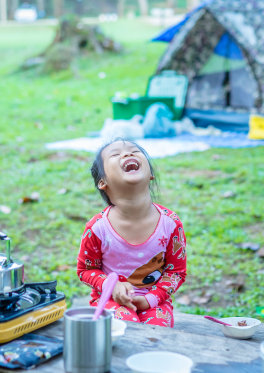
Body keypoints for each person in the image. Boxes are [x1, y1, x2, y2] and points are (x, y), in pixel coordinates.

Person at [76, 138, 187, 327]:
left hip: (155, 303)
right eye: (115, 154)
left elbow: (175, 272)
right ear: (102, 182)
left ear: (150, 173)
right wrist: (112, 286)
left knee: (157, 332)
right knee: (124, 326)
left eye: (134, 151)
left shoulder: (170, 223)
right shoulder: (97, 228)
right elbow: (86, 270)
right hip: (110, 301)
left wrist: (150, 300)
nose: (127, 154)